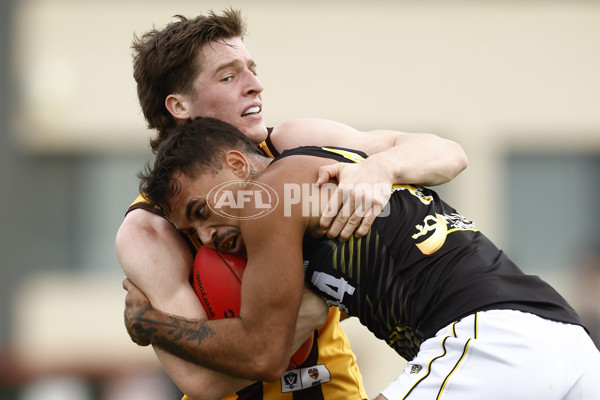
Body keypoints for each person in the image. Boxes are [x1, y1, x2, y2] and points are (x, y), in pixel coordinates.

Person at [116, 8, 468, 400]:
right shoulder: (150, 227)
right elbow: (203, 382)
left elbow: (447, 153)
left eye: (252, 69)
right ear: (179, 106)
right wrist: (313, 303)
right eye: (229, 76)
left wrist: (383, 168)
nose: (255, 85)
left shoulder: (291, 144)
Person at [127, 117, 600, 400]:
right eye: (191, 233)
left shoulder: (269, 196)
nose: (207, 237)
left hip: (490, 339)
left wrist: (152, 324)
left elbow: (264, 352)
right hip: (566, 338)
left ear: (235, 164)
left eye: (200, 211)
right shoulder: (335, 161)